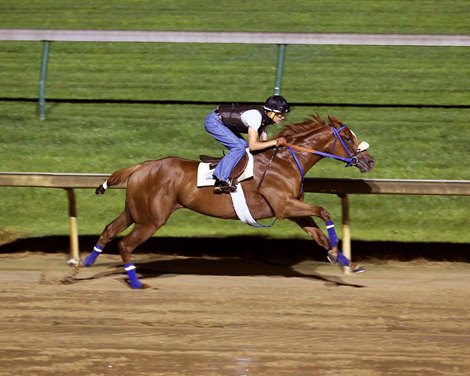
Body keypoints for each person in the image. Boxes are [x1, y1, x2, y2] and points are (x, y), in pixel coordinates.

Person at [204, 95, 290, 193]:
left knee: (243, 146)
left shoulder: (266, 119)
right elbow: (253, 146)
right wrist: (275, 142)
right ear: (271, 113)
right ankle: (220, 180)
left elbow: (263, 143)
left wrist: (275, 146)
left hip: (223, 123)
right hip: (214, 122)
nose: (282, 117)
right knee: (239, 147)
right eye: (280, 114)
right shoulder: (256, 117)